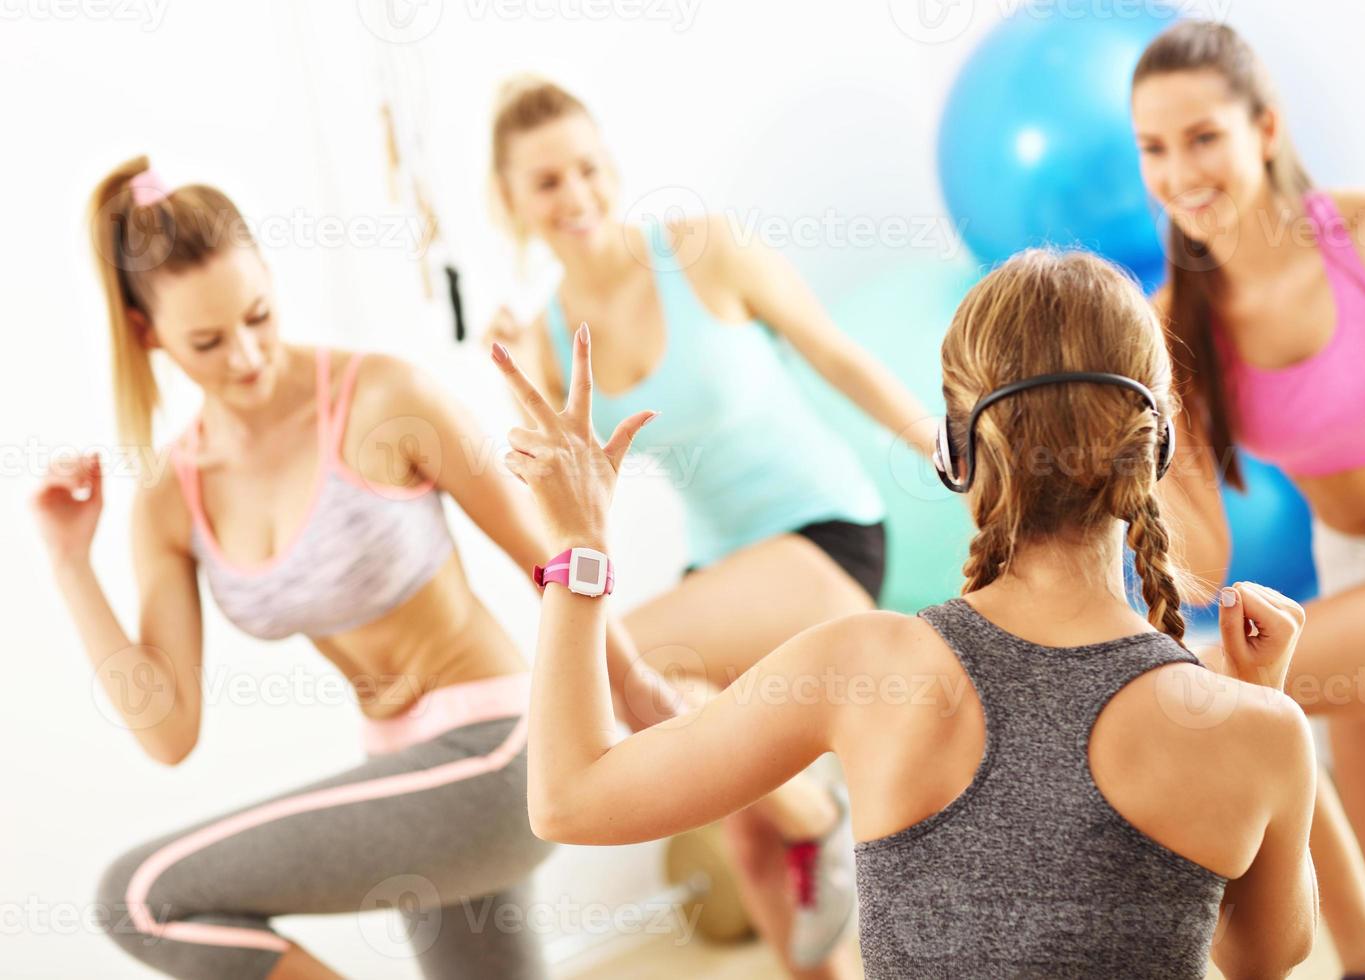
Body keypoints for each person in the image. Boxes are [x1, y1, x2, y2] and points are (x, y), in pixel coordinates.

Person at [490, 247, 1320, 978]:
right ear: (1158, 443)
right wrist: (1263, 697)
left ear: (958, 451)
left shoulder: (862, 667)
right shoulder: (1258, 731)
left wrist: (578, 544)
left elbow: (569, 799)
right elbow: (1260, 957)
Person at [32, 157, 680, 979]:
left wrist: (631, 688)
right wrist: (68, 563)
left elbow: (546, 553)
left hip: (498, 752)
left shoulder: (380, 396)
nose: (247, 354)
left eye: (259, 315)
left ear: (269, 277)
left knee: (140, 896)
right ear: (145, 333)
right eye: (208, 341)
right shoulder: (171, 495)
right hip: (400, 776)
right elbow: (168, 731)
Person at [483, 77, 936, 975]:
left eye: (587, 168)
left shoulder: (701, 252)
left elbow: (834, 353)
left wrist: (943, 444)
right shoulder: (539, 332)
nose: (574, 197)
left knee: (620, 654)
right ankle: (808, 857)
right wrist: (512, 382)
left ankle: (816, 811)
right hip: (722, 565)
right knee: (749, 845)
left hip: (824, 533)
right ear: (511, 201)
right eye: (546, 183)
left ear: (612, 166)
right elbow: (560, 503)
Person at [1133, 21, 1365, 976]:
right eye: (1153, 148)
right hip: (1361, 580)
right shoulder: (1171, 326)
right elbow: (1198, 561)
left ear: (1266, 128)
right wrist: (1138, 457)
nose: (1179, 170)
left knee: (1204, 687)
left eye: (1203, 137)